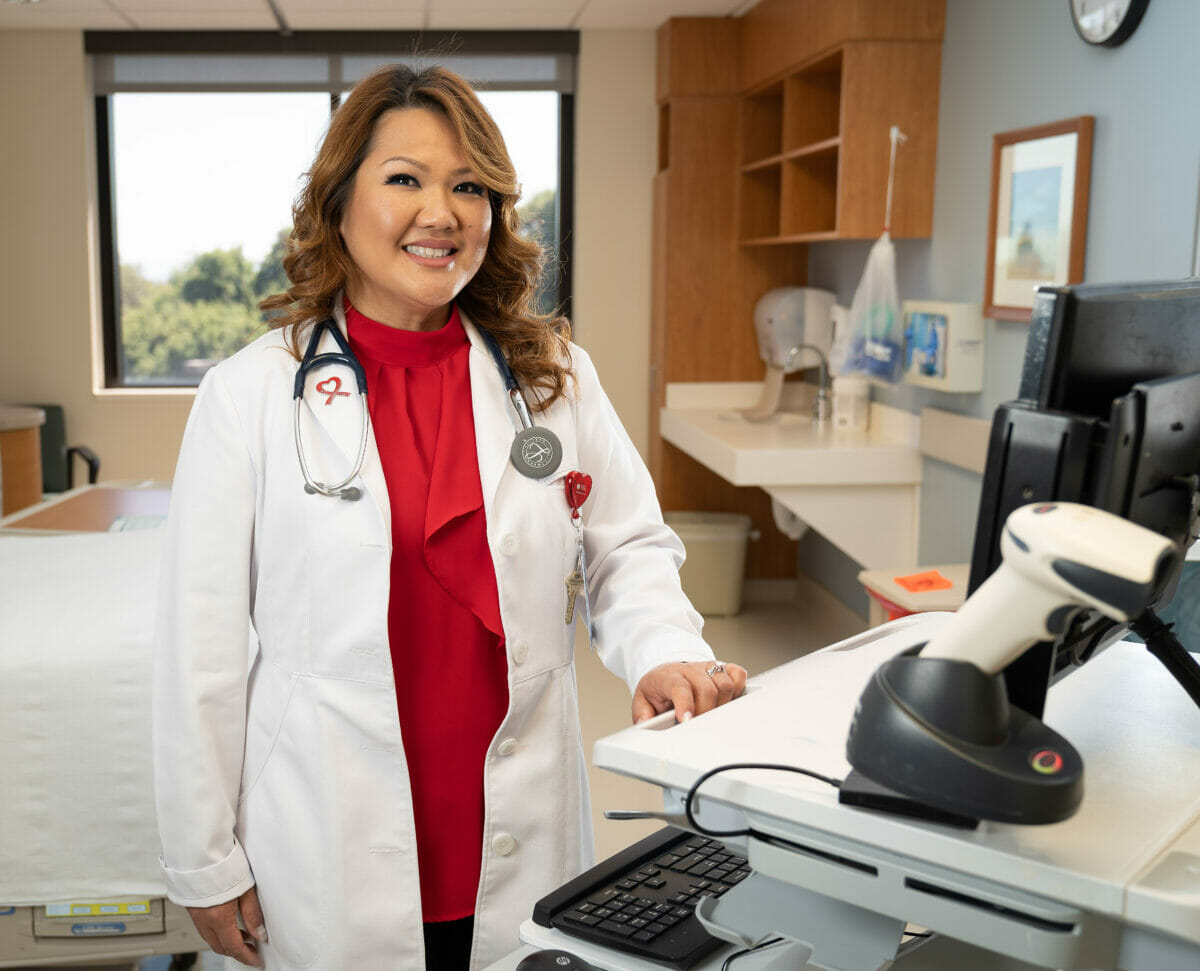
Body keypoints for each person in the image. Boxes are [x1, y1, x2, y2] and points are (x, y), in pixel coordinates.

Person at [152, 63, 747, 971]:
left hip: (518, 816)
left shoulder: (553, 379)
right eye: (405, 180)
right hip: (328, 830)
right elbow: (199, 650)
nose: (442, 212)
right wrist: (203, 858)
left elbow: (627, 546)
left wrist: (665, 647)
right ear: (339, 201)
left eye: (468, 186)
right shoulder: (250, 396)